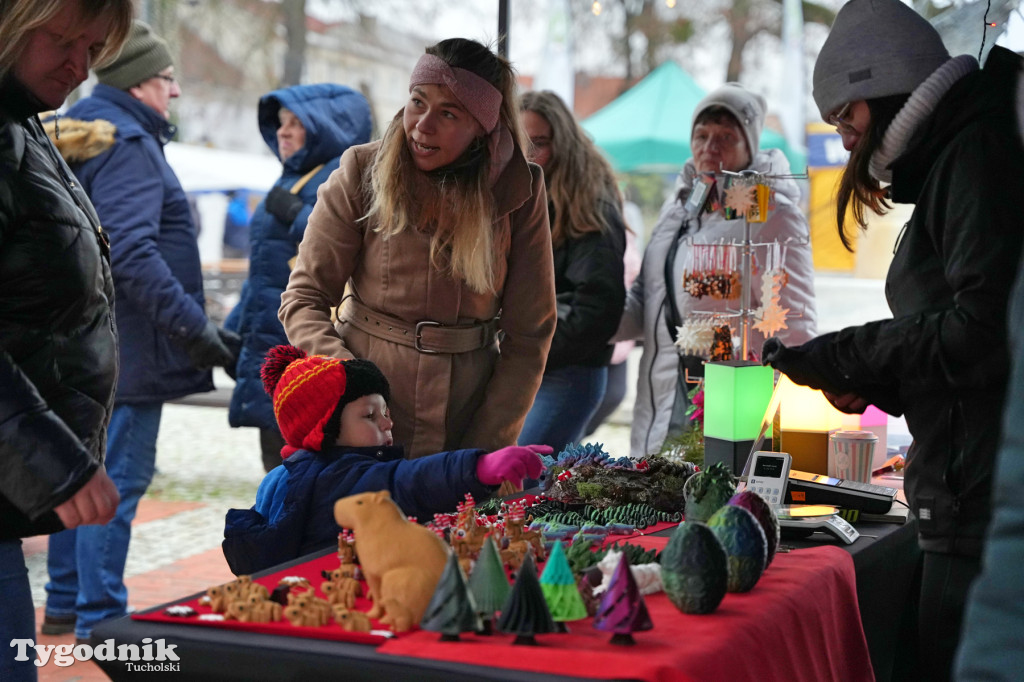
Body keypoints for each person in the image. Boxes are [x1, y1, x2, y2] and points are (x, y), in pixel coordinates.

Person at [760, 2, 1024, 679]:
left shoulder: (975, 153)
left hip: (977, 500)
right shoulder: (955, 155)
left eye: (845, 116)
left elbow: (983, 330)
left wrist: (846, 353)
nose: (845, 140)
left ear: (885, 89)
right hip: (961, 486)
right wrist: (881, 383)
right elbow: (957, 341)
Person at [41, 20, 241, 644]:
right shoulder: (127, 143)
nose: (175, 93)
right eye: (167, 78)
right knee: (115, 487)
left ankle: (69, 603)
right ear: (137, 83)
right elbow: (130, 252)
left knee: (81, 479)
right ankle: (105, 620)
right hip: (127, 352)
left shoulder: (89, 135)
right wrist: (193, 328)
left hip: (90, 344)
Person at [280, 38, 557, 460]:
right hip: (365, 415)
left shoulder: (520, 189)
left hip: (468, 409)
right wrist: (351, 384)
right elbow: (303, 298)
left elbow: (530, 332)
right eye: (417, 102)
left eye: (449, 113)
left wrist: (488, 441)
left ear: (484, 127)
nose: (422, 125)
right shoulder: (361, 170)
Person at [0, 0, 133, 677]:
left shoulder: (23, 123)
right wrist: (49, 456)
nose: (80, 65)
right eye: (62, 39)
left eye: (94, 46)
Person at [617, 82, 817, 458]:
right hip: (664, 393)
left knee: (716, 502)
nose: (710, 145)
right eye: (702, 134)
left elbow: (795, 324)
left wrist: (775, 405)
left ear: (750, 146)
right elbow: (649, 298)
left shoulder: (773, 216)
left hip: (732, 399)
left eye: (727, 136)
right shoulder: (676, 207)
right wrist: (579, 320)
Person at [222, 345, 549, 575]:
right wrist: (478, 468)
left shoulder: (287, 473)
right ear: (325, 428)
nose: (387, 423)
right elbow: (405, 482)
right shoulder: (340, 479)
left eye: (386, 412)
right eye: (369, 415)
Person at [224, 83, 372, 473]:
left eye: (296, 123)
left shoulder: (346, 178)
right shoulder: (293, 177)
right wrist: (236, 326)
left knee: (301, 479)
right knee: (278, 474)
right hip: (274, 347)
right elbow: (266, 271)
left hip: (307, 354)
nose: (282, 132)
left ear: (327, 128)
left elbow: (350, 243)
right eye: (280, 123)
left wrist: (295, 211)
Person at [516, 90, 626, 453]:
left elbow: (597, 310)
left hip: (568, 374)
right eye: (520, 142)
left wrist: (527, 350)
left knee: (520, 485)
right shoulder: (524, 196)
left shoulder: (589, 204)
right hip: (531, 371)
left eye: (541, 143)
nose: (528, 154)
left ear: (563, 145)